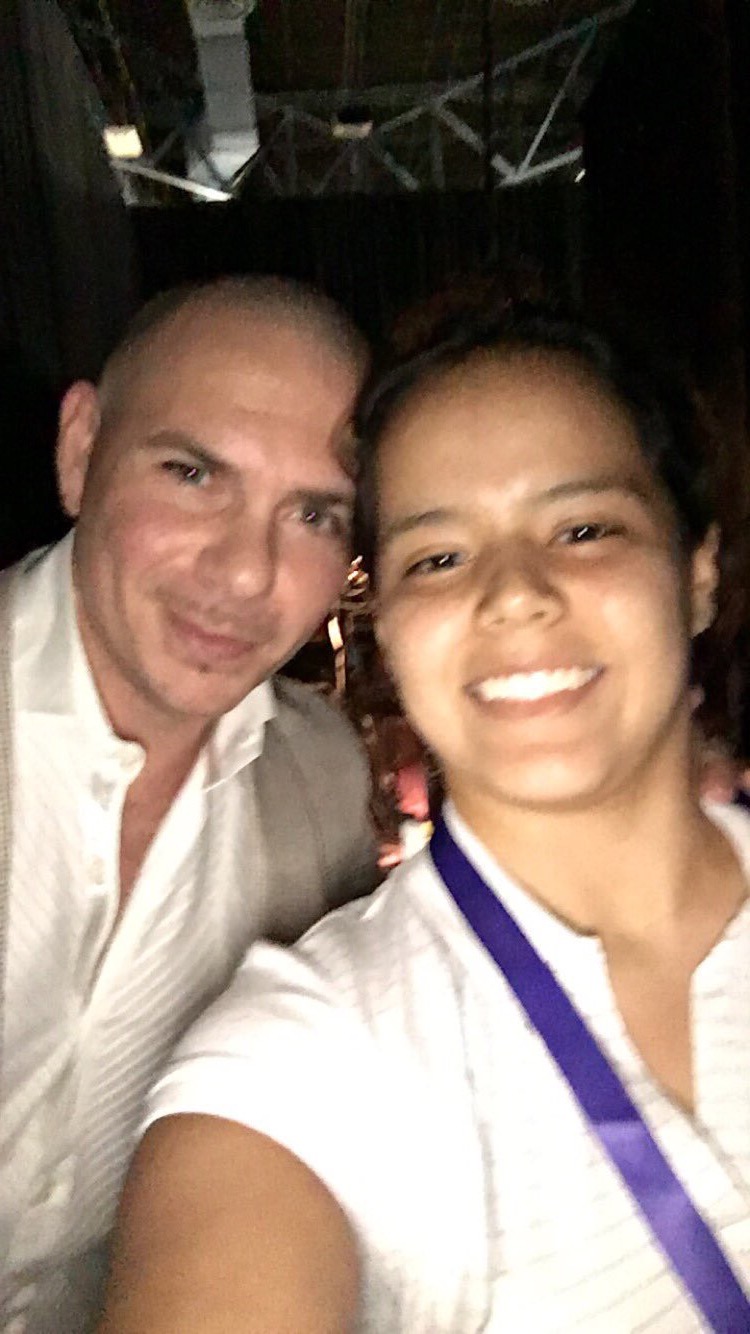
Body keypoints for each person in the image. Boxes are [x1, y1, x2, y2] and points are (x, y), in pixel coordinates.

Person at [99, 305, 750, 1333]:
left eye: (583, 529)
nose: (514, 594)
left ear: (698, 573)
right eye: (438, 557)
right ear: (390, 630)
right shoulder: (318, 1057)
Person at [0, 276, 380, 1332]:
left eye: (313, 513)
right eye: (194, 472)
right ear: (80, 450)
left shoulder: (320, 779)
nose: (247, 571)